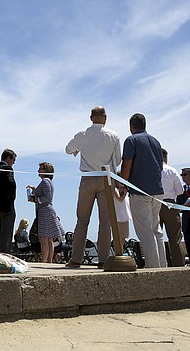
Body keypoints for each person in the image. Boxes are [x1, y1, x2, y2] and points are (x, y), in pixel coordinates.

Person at [64, 106, 121, 268]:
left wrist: (78, 150)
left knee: (82, 220)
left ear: (91, 118)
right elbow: (118, 159)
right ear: (105, 117)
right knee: (105, 221)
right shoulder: (114, 136)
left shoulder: (83, 134)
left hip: (87, 179)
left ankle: (76, 259)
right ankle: (103, 260)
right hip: (105, 179)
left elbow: (68, 149)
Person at [120, 113, 166, 268]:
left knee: (145, 231)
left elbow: (127, 164)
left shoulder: (131, 140)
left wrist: (123, 185)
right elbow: (160, 165)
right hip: (157, 191)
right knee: (156, 230)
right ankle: (162, 266)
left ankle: (153, 268)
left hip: (140, 191)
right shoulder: (156, 141)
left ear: (131, 126)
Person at [27, 162, 65, 263]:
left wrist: (35, 200)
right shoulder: (48, 181)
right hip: (47, 210)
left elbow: (47, 197)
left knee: (43, 238)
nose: (38, 170)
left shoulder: (45, 181)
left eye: (41, 169)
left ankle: (44, 261)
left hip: (45, 211)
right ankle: (49, 261)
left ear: (46, 170)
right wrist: (34, 190)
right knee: (49, 239)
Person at [159, 149, 185, 267]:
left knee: (155, 236)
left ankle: (158, 264)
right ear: (166, 157)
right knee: (175, 238)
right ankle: (179, 265)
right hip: (170, 204)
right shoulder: (172, 170)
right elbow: (180, 191)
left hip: (155, 203)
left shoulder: (152, 170)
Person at [0, 148, 17, 253]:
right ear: (8, 158)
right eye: (13, 160)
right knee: (6, 238)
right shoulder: (8, 169)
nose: (13, 163)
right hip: (7, 208)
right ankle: (4, 259)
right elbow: (11, 185)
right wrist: (12, 199)